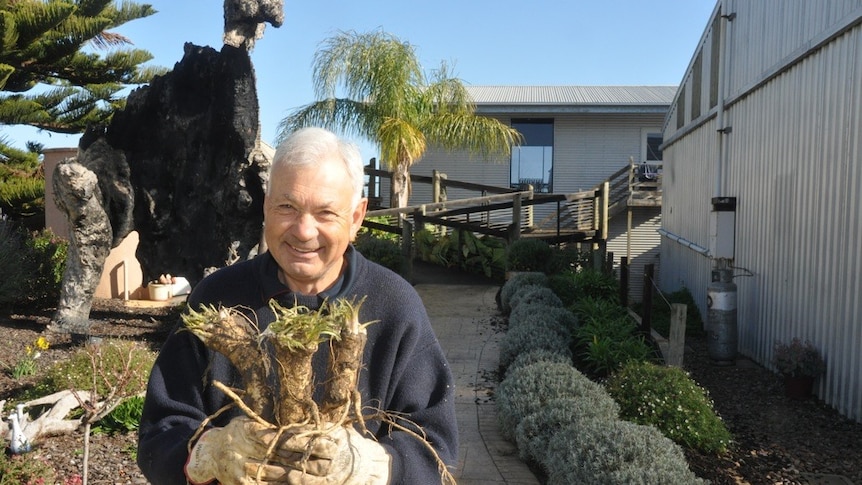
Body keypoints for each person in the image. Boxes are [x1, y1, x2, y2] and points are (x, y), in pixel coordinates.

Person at [137, 127, 458, 484]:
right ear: (266, 206)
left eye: (325, 213)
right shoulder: (217, 299)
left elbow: (437, 452)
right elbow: (159, 433)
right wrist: (210, 453)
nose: (304, 231)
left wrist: (376, 467)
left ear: (356, 218)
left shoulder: (396, 306)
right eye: (287, 207)